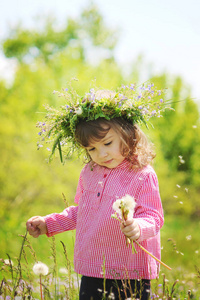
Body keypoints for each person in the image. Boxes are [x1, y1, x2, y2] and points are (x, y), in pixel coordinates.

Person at [27, 84, 166, 300]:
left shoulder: (142, 174)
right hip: (94, 268)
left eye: (107, 143)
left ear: (127, 133)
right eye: (91, 149)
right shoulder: (89, 172)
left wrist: (138, 226)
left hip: (130, 270)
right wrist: (49, 223)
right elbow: (82, 211)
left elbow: (154, 216)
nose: (101, 153)